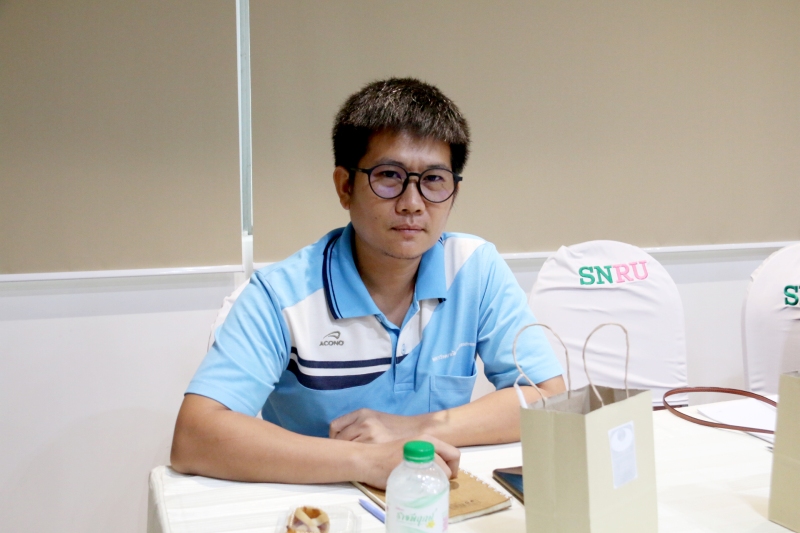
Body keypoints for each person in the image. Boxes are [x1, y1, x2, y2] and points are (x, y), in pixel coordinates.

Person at [171, 78, 565, 489]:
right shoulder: (281, 294)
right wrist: (366, 460)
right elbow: (195, 437)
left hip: (432, 498)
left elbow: (548, 397)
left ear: (454, 192)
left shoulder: (474, 269)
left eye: (434, 179)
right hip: (319, 504)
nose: (412, 203)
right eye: (389, 176)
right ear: (345, 187)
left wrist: (411, 429)